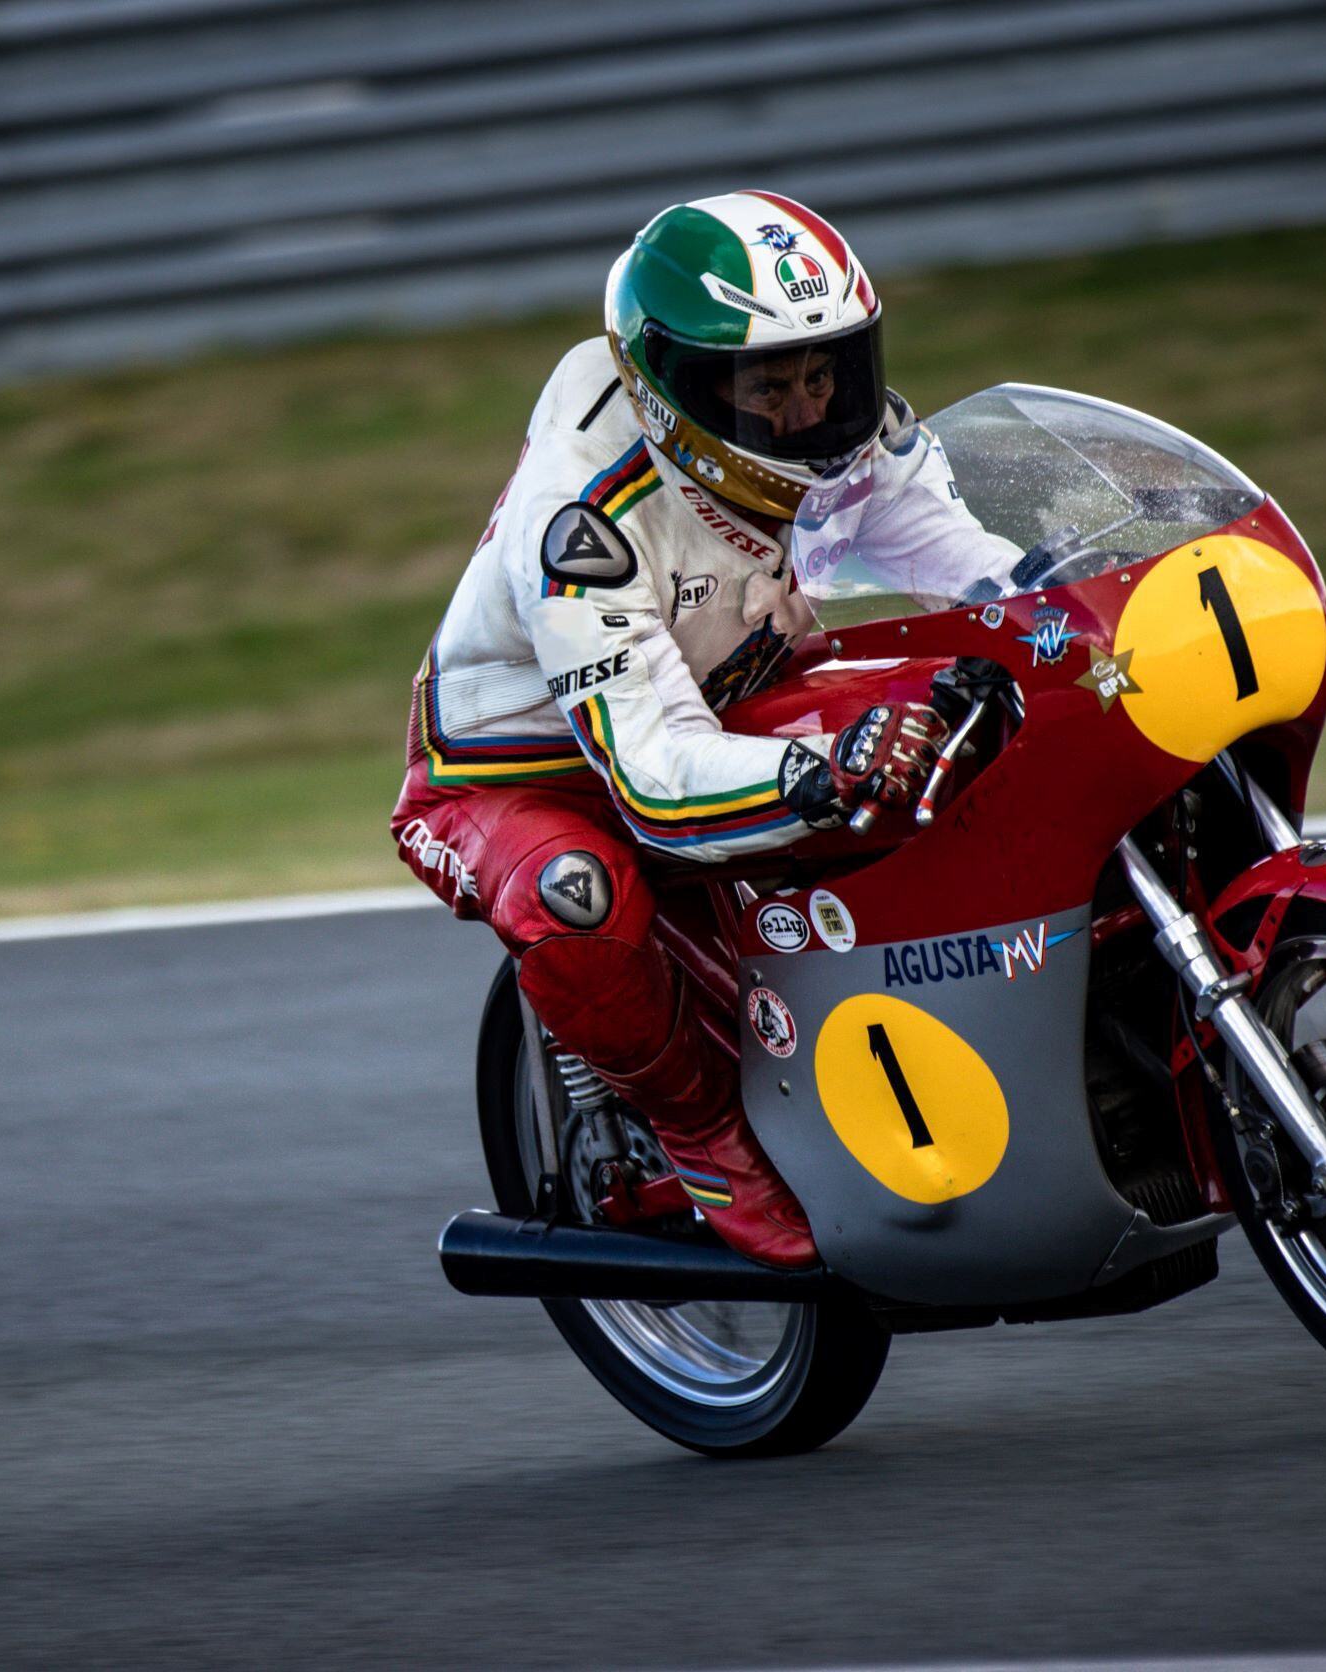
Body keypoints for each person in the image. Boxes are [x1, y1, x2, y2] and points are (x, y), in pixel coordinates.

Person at [390, 191, 1000, 1270]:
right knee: (576, 899)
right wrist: (817, 770)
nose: (811, 411)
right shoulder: (581, 515)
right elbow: (656, 776)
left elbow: (982, 570)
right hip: (525, 771)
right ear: (675, 388)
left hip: (724, 692)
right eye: (769, 386)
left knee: (950, 715)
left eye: (827, 371)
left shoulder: (849, 442)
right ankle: (703, 1139)